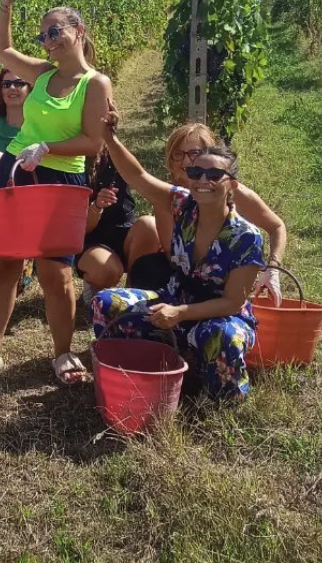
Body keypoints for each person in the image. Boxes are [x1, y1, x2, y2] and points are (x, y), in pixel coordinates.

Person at [0, 0, 113, 386]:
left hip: (60, 180)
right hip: (16, 171)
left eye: (55, 31)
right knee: (6, 263)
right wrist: (6, 5)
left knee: (57, 273)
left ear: (78, 30)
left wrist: (48, 148)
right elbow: (2, 49)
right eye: (43, 36)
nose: (48, 41)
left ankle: (63, 353)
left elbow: (91, 142)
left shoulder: (94, 83)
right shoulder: (41, 74)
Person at [89, 127, 264, 402]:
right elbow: (138, 176)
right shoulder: (181, 204)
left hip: (218, 315)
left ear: (232, 184)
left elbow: (232, 302)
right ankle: (138, 372)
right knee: (107, 303)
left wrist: (180, 312)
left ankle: (222, 397)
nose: (202, 180)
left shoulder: (246, 237)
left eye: (214, 175)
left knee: (222, 336)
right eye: (196, 173)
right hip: (173, 300)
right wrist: (110, 138)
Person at [127, 122, 287, 299]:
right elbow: (170, 252)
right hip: (184, 274)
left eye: (194, 153)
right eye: (178, 154)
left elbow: (276, 226)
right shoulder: (171, 198)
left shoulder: (236, 192)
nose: (187, 161)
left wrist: (272, 268)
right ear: (170, 161)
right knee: (147, 264)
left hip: (224, 280)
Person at [77, 146, 136, 291]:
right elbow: (82, 229)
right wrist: (97, 206)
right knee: (107, 271)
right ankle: (94, 284)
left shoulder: (116, 157)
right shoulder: (74, 165)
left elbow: (141, 177)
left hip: (124, 232)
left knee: (149, 227)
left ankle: (134, 288)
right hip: (92, 240)